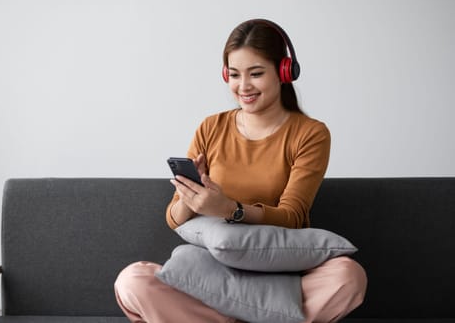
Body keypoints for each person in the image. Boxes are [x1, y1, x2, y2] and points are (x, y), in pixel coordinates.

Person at [115, 18, 367, 323]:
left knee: (347, 275)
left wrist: (231, 209)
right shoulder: (211, 127)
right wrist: (191, 198)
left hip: (278, 269)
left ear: (284, 72)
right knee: (133, 280)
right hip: (213, 273)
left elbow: (293, 216)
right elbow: (173, 217)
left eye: (256, 74)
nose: (243, 87)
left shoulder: (310, 134)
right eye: (234, 75)